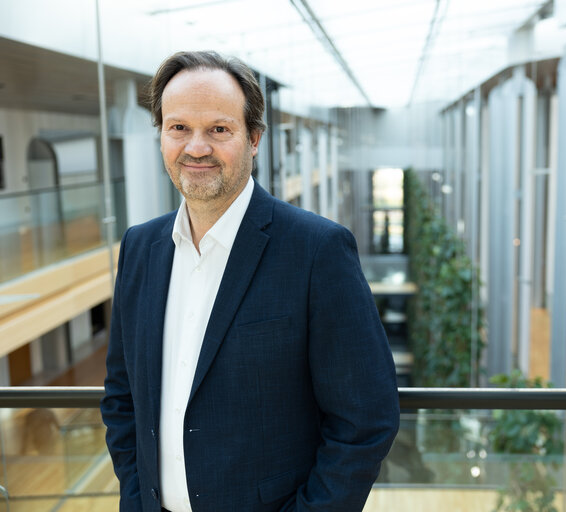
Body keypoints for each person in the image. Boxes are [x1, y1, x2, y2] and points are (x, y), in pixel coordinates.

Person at [100, 50, 400, 512]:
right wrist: (136, 496)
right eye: (179, 128)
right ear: (161, 136)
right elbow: (122, 396)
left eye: (219, 130)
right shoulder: (139, 248)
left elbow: (365, 420)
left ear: (254, 138)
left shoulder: (317, 250)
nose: (196, 147)